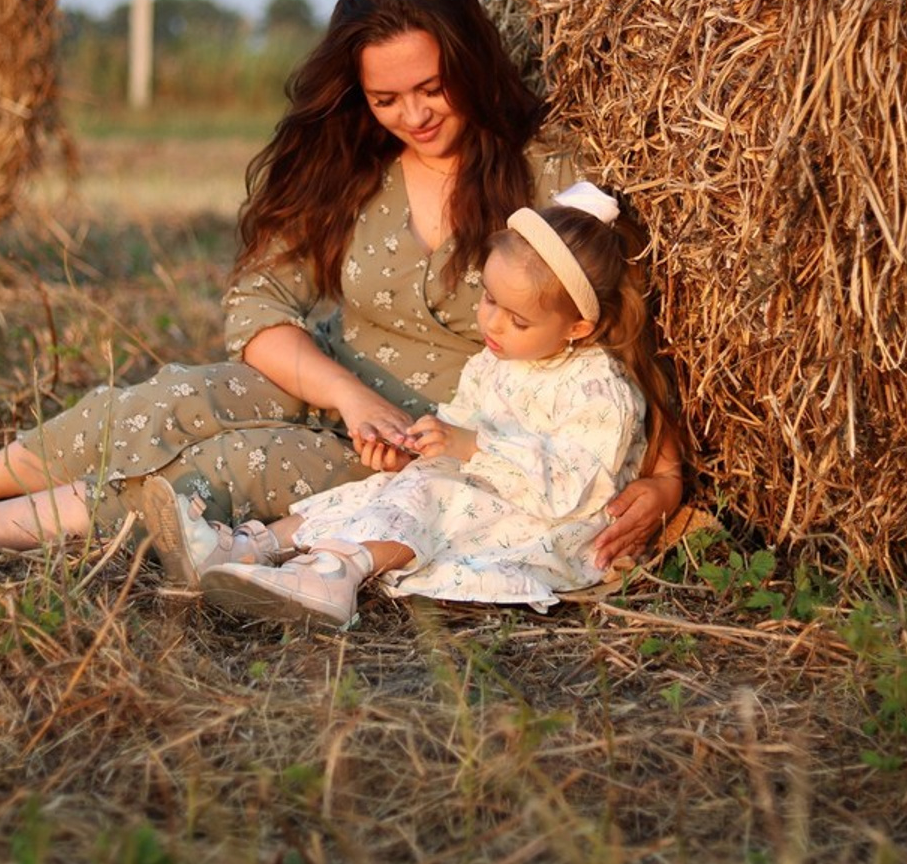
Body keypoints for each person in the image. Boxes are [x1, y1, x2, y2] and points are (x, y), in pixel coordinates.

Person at [0, 0, 682, 570]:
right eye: (386, 97)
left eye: (431, 87)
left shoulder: (548, 174)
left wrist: (666, 474)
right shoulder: (354, 165)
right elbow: (258, 301)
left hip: (430, 446)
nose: (413, 114)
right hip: (333, 384)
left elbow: (631, 330)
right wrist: (345, 393)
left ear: (473, 62)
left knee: (225, 474)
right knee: (173, 397)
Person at [171, 185, 683, 629]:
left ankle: (336, 575)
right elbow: (463, 425)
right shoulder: (498, 360)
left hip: (550, 526)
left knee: (435, 495)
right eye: (488, 300)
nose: (493, 325)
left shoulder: (600, 389)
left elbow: (574, 486)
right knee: (386, 486)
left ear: (578, 328)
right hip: (484, 488)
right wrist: (420, 449)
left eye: (517, 320)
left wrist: (469, 449)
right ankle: (245, 547)